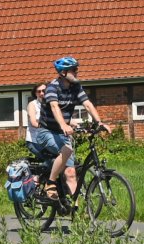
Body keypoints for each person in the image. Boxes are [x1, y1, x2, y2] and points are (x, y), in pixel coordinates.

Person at [30, 56, 109, 202]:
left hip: (61, 134)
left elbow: (87, 104)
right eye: (74, 70)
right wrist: (64, 125)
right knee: (67, 150)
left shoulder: (76, 87)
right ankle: (50, 183)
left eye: (76, 69)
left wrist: (99, 122)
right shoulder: (52, 87)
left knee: (71, 172)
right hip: (46, 132)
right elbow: (54, 107)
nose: (77, 72)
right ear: (63, 72)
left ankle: (77, 209)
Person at [25, 83, 47, 155]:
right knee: (51, 160)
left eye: (44, 90)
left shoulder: (51, 104)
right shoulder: (32, 104)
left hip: (47, 140)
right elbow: (33, 122)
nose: (41, 93)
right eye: (39, 91)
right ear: (35, 93)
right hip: (34, 141)